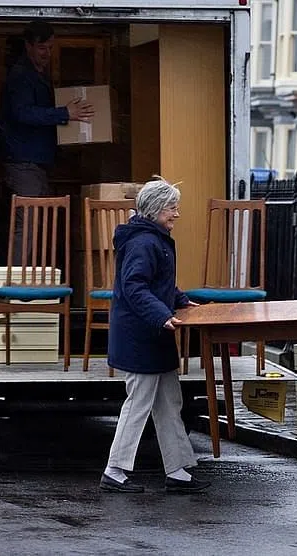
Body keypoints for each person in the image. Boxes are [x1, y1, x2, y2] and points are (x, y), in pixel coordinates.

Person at [100, 177, 210, 494]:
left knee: (167, 402)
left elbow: (155, 283)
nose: (176, 214)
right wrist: (162, 314)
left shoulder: (150, 239)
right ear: (155, 210)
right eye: (172, 208)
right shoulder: (145, 243)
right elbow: (135, 287)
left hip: (149, 334)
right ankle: (115, 470)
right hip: (142, 336)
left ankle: (177, 471)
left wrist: (178, 300)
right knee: (140, 403)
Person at [0, 20, 95, 264]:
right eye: (42, 48)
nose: (47, 53)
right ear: (29, 46)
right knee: (29, 223)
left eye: (50, 48)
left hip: (37, 163)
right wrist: (64, 113)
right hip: (23, 162)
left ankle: (29, 283)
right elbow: (23, 113)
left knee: (36, 223)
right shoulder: (21, 76)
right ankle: (16, 286)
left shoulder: (37, 75)